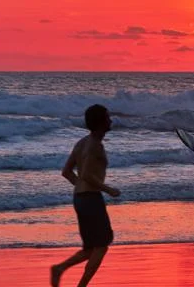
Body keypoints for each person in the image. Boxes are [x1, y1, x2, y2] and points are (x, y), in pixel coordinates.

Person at [50, 104, 121, 287]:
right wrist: (108, 189)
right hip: (90, 199)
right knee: (102, 245)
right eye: (107, 117)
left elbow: (66, 171)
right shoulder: (94, 146)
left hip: (80, 198)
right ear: (101, 122)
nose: (110, 120)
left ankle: (59, 269)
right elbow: (88, 175)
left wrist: (80, 187)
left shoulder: (82, 142)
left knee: (91, 248)